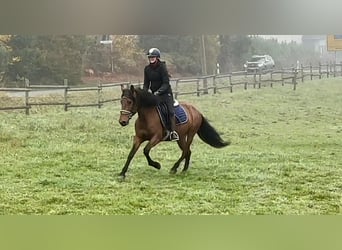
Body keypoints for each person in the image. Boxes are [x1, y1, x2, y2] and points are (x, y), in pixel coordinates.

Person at [143, 47, 179, 141]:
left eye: (153, 57)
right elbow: (146, 83)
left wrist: (158, 92)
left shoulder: (162, 67)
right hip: (154, 95)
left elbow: (166, 83)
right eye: (150, 57)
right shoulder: (147, 69)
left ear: (157, 58)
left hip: (166, 94)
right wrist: (144, 92)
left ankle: (172, 132)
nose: (151, 58)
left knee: (170, 111)